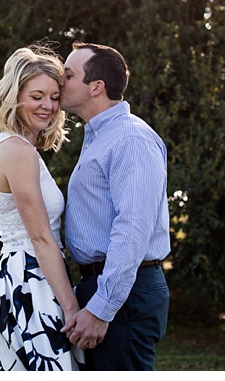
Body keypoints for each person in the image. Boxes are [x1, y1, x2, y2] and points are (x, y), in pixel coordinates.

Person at [59, 42, 171, 371]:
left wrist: (101, 308)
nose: (59, 81)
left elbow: (133, 229)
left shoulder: (129, 139)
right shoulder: (100, 136)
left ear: (96, 87)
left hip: (124, 291)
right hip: (107, 286)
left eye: (68, 75)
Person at [0, 44, 84, 371]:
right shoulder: (17, 150)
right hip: (29, 280)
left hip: (30, 275)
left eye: (55, 97)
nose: (48, 106)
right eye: (37, 95)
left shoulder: (17, 146)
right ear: (16, 95)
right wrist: (71, 309)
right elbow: (41, 238)